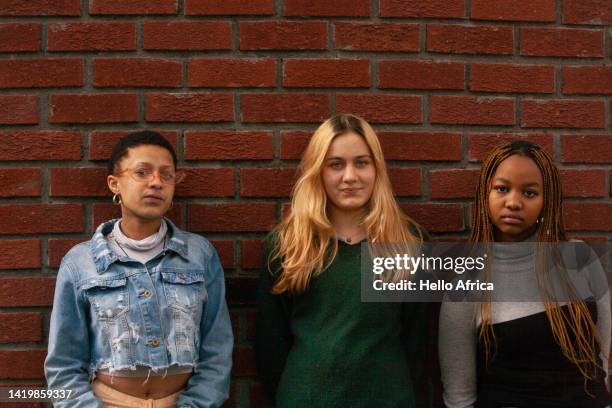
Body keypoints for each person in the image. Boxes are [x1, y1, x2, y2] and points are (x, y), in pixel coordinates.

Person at [44, 131, 233, 408]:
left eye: (166, 175)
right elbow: (63, 364)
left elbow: (217, 350)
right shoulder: (80, 263)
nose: (156, 182)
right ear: (114, 183)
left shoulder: (199, 255)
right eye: (142, 172)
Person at [256, 114, 429, 407]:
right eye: (336, 164)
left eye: (361, 162)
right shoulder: (287, 245)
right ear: (318, 171)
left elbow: (417, 343)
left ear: (377, 169)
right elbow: (270, 346)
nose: (350, 176)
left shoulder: (410, 245)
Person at [439, 140, 610, 407]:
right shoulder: (467, 281)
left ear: (546, 201)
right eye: (502, 189)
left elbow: (604, 355)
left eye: (529, 193)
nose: (513, 202)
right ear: (486, 194)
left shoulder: (580, 257)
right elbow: (459, 397)